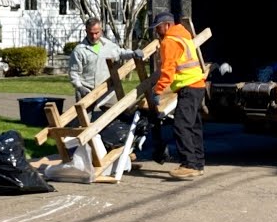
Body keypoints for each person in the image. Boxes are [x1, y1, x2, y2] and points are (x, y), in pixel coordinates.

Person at [148, 12, 207, 180]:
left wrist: (157, 91)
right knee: (193, 126)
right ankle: (197, 164)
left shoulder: (169, 41)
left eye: (158, 28)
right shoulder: (184, 36)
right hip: (197, 85)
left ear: (167, 25)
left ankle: (189, 164)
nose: (157, 32)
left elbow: (168, 70)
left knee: (181, 126)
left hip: (188, 87)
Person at [69, 18, 140, 110]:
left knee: (115, 115)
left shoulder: (108, 45)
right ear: (86, 31)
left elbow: (121, 53)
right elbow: (74, 72)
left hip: (107, 90)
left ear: (101, 31)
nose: (94, 36)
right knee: (84, 121)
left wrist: (133, 54)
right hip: (86, 91)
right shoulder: (79, 50)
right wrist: (79, 87)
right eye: (91, 33)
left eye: (96, 33)